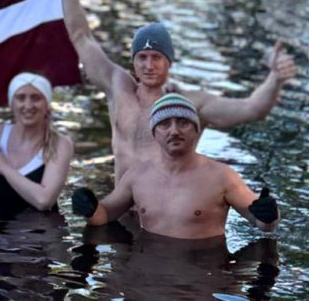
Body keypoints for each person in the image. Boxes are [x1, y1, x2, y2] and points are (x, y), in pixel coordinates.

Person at [57, 0, 297, 180]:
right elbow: (81, 36)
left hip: (162, 203)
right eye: (142, 58)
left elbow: (252, 109)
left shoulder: (189, 105)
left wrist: (275, 79)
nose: (148, 66)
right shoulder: (117, 87)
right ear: (133, 62)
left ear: (169, 62)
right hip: (121, 201)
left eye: (156, 58)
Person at [71, 93, 280, 242]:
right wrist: (90, 207)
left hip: (202, 279)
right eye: (165, 124)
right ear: (154, 133)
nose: (174, 131)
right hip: (147, 277)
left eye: (183, 122)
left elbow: (262, 224)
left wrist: (270, 214)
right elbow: (105, 214)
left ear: (196, 130)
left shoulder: (223, 177)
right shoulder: (137, 176)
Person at [0, 72, 75, 212]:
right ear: (12, 103)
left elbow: (44, 201)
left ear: (47, 104)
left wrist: (3, 167)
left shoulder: (60, 143)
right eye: (21, 98)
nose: (28, 105)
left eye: (36, 98)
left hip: (41, 225)